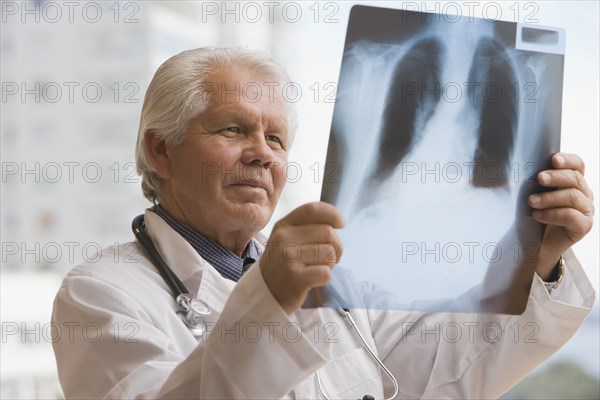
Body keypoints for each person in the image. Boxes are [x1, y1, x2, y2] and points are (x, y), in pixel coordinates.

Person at [52, 47, 596, 399]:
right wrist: (269, 299)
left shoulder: (333, 281)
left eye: (276, 139)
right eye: (233, 129)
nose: (261, 154)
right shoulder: (102, 295)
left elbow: (446, 365)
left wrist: (536, 254)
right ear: (160, 150)